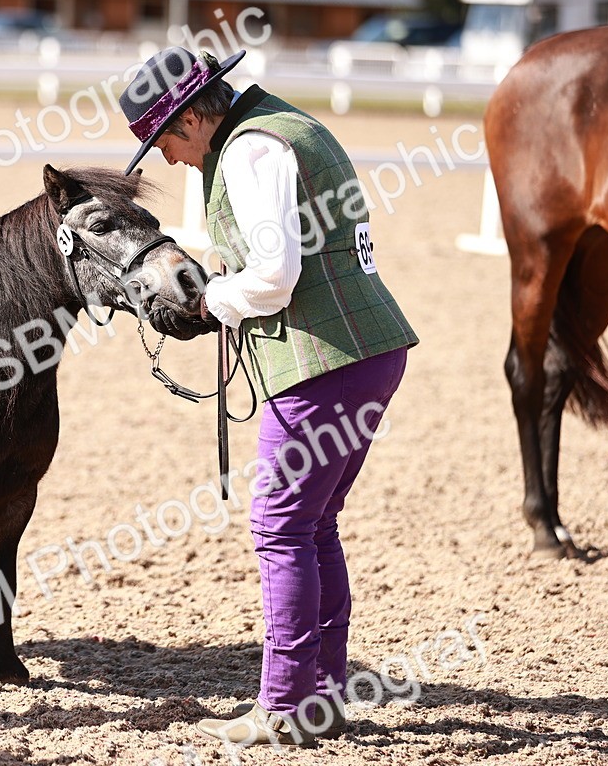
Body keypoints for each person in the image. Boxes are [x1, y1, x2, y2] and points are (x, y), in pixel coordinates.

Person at [120, 48, 418, 748]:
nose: (167, 158)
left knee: (280, 528)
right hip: (366, 351)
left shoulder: (251, 150)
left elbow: (275, 278)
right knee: (313, 525)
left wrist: (210, 300)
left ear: (191, 118)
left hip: (324, 360)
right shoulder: (287, 127)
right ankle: (324, 696)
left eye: (163, 141)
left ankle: (284, 706)